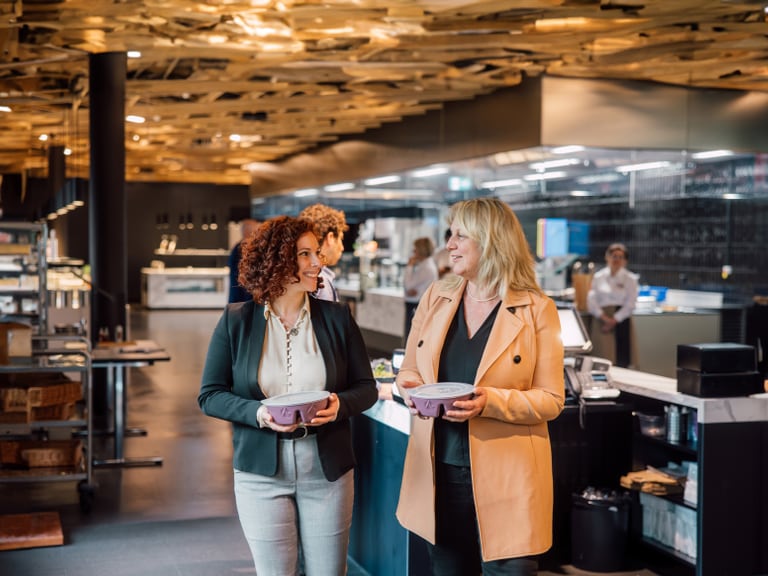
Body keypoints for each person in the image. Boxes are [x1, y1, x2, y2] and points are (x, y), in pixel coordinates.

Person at [198, 215, 378, 576]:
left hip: (327, 472)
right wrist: (259, 414)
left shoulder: (338, 318)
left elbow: (366, 388)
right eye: (305, 255)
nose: (318, 263)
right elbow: (210, 395)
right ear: (278, 261)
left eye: (317, 253)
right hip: (259, 474)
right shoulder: (237, 320)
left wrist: (340, 405)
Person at [395, 197, 565, 576]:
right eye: (449, 235)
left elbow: (552, 400)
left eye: (460, 236)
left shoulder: (538, 309)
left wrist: (489, 401)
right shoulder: (436, 297)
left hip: (508, 478)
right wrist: (410, 391)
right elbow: (409, 370)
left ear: (491, 241)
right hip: (440, 472)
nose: (450, 245)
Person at [586, 242, 638, 368]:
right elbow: (591, 300)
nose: (617, 260)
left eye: (621, 257)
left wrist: (613, 321)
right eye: (614, 256)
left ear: (625, 261)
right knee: (602, 357)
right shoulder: (599, 277)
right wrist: (604, 318)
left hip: (621, 320)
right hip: (601, 320)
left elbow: (631, 303)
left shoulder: (630, 278)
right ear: (607, 257)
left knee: (622, 360)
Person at [299, 204, 349, 302]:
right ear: (330, 238)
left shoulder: (300, 274)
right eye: (340, 238)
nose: (342, 248)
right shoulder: (320, 281)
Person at [403, 236, 438, 341]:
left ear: (421, 250)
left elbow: (408, 285)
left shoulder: (426, 267)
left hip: (416, 304)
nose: (413, 252)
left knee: (412, 337)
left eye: (415, 249)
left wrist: (409, 265)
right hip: (416, 303)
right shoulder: (424, 265)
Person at [227, 218, 260, 303]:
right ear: (247, 231)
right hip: (242, 297)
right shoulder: (244, 248)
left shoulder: (239, 247)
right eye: (255, 230)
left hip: (241, 296)